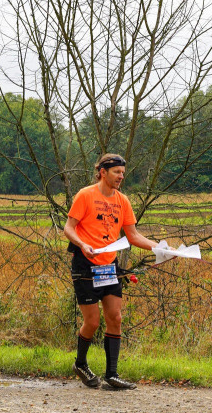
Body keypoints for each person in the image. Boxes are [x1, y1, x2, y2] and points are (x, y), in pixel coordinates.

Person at [63, 153, 163, 390]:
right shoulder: (85, 195)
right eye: (117, 172)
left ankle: (112, 374)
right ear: (103, 172)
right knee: (93, 321)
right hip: (85, 264)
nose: (121, 177)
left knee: (115, 317)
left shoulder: (123, 201)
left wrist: (161, 248)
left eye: (122, 173)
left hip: (109, 267)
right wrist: (82, 244)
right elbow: (69, 228)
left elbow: (133, 235)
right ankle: (80, 364)